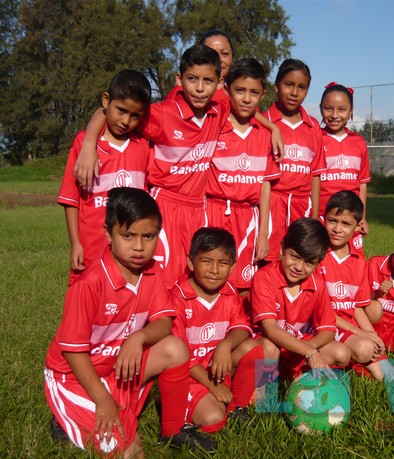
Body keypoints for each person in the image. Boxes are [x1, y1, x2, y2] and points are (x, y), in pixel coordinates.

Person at [74, 45, 283, 288]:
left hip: (198, 209)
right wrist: (89, 144)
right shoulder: (161, 114)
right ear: (179, 79)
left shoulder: (219, 110)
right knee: (160, 281)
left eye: (207, 80)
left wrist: (272, 127)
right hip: (165, 206)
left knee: (191, 279)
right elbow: (110, 109)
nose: (200, 87)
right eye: (192, 79)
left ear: (219, 84)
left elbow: (246, 108)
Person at [44, 188, 216, 459]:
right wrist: (103, 400)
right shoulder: (89, 284)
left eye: (148, 237)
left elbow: (163, 321)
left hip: (117, 367)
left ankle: (172, 431)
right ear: (108, 234)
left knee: (175, 347)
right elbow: (73, 353)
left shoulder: (154, 271)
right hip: (75, 376)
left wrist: (139, 337)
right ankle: (69, 416)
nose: (139, 246)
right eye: (129, 236)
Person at [58, 70, 151, 284]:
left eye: (135, 116)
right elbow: (71, 200)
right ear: (106, 100)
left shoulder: (143, 146)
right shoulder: (84, 144)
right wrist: (76, 244)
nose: (126, 120)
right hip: (92, 251)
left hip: (131, 255)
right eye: (121, 110)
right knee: (88, 309)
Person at [171, 227, 264, 432]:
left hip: (217, 367)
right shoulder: (177, 297)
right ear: (190, 262)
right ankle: (191, 405)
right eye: (206, 261)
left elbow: (242, 327)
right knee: (213, 420)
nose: (214, 269)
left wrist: (225, 344)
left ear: (232, 267)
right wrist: (211, 385)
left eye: (222, 263)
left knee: (253, 347)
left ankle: (237, 407)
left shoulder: (230, 292)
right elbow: (178, 356)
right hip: (189, 375)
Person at [205, 59, 280, 292]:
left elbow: (265, 186)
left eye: (254, 92)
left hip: (249, 217)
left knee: (245, 283)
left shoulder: (265, 134)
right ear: (227, 89)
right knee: (210, 276)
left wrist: (263, 234)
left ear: (263, 95)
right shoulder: (214, 125)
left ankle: (242, 327)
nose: (247, 99)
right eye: (240, 90)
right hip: (214, 212)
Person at [250, 218, 351, 379]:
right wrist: (309, 352)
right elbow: (270, 329)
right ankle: (262, 398)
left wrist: (306, 349)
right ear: (283, 248)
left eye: (309, 262)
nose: (298, 267)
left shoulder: (317, 283)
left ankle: (292, 377)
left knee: (342, 353)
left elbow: (328, 330)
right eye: (295, 256)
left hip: (299, 344)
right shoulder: (264, 277)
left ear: (319, 263)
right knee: (268, 349)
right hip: (269, 341)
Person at [320, 190, 394, 381]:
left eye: (346, 224)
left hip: (347, 324)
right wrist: (361, 333)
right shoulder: (317, 255)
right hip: (324, 323)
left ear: (358, 226)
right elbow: (320, 310)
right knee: (364, 349)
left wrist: (372, 336)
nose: (337, 229)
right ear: (324, 219)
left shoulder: (358, 261)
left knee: (387, 375)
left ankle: (368, 361)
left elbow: (356, 307)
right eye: (332, 221)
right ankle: (357, 362)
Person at [262, 59, 327, 262]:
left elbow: (315, 174)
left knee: (299, 258)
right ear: (276, 85)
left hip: (301, 205)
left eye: (302, 87)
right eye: (288, 84)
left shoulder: (313, 126)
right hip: (272, 203)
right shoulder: (265, 121)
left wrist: (314, 216)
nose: (294, 92)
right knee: (270, 258)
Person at [318, 82, 371, 246]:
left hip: (350, 218)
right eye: (328, 108)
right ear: (321, 108)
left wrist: (362, 217)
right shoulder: (316, 139)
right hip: (322, 216)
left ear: (351, 112)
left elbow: (362, 183)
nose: (334, 115)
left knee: (351, 264)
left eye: (341, 109)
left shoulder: (359, 143)